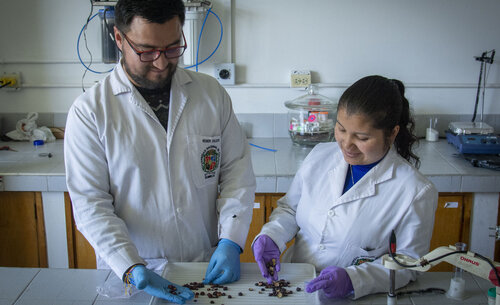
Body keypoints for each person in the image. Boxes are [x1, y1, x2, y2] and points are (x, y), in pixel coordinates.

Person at [64, 0, 256, 303]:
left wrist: (231, 240)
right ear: (118, 38)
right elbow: (90, 204)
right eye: (147, 51)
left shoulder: (210, 95)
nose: (161, 62)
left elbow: (237, 172)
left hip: (203, 266)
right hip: (134, 274)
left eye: (172, 48)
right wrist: (129, 265)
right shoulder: (91, 112)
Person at [253, 75, 438, 299]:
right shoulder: (320, 155)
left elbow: (409, 263)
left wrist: (354, 280)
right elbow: (291, 209)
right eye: (341, 129)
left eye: (361, 137)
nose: (347, 144)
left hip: (356, 296)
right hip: (295, 284)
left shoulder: (415, 191)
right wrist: (272, 235)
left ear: (392, 133)